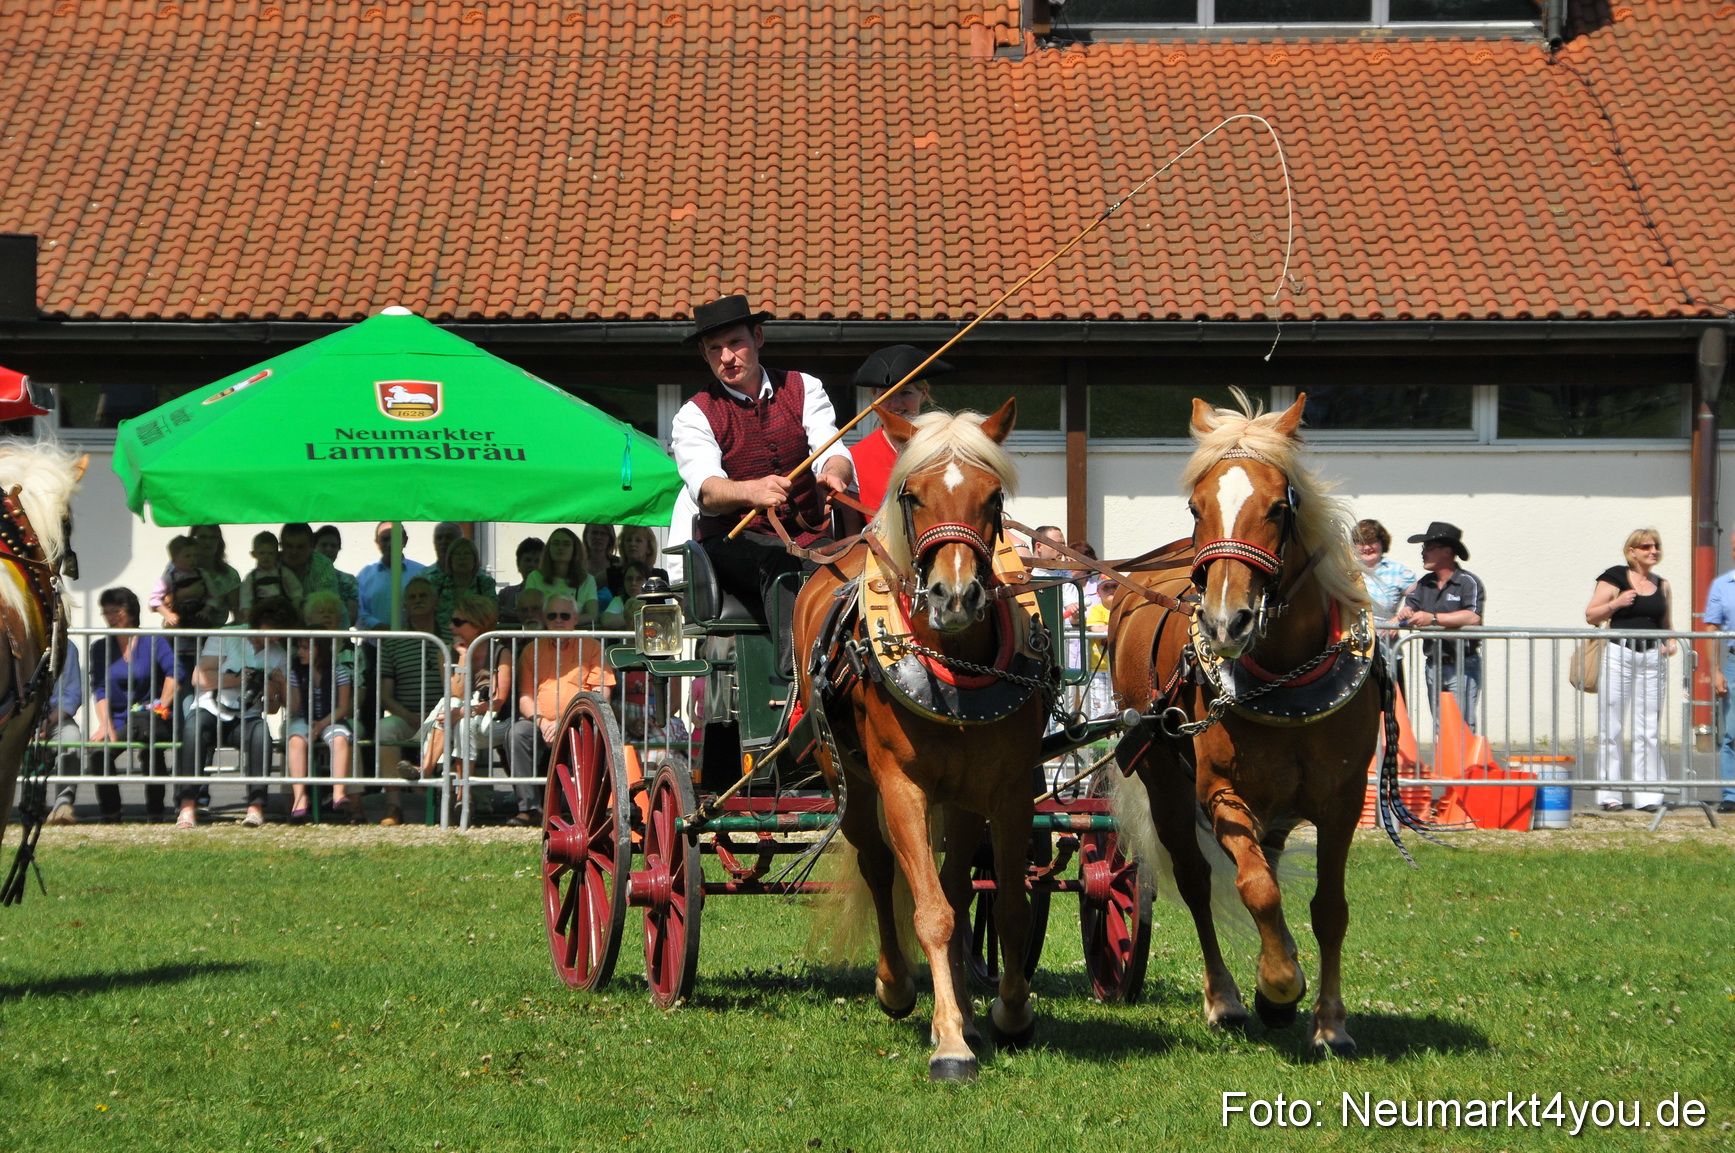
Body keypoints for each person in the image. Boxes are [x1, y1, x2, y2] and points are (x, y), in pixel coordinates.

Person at [668, 294, 853, 627]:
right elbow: (706, 490)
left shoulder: (804, 387)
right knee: (780, 564)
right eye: (714, 348)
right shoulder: (694, 414)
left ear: (758, 337)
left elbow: (832, 450)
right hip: (732, 544)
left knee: (856, 566)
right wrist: (751, 491)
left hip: (807, 538)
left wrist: (832, 474)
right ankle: (793, 678)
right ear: (704, 354)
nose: (726, 357)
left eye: (735, 342)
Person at [180, 598, 295, 828]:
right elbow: (198, 678)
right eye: (267, 631)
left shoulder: (279, 654)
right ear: (256, 623)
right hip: (209, 708)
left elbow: (272, 709)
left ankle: (255, 808)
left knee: (261, 733)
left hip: (247, 716)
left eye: (277, 634)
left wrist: (273, 687)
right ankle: (186, 807)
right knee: (193, 728)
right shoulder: (228, 635)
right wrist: (238, 678)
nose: (270, 639)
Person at [1585, 529, 1674, 813]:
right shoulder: (1614, 577)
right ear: (1632, 551)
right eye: (1646, 546)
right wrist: (1616, 603)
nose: (1653, 551)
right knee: (1611, 725)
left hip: (1651, 656)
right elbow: (1591, 614)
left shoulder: (1662, 584)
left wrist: (1670, 644)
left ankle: (1648, 795)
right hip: (1620, 652)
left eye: (1656, 546)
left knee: (1648, 728)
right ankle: (1609, 795)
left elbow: (1666, 625)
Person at [507, 593, 615, 826]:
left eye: (564, 615)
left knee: (598, 734)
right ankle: (529, 808)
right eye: (552, 615)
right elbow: (525, 697)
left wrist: (566, 720)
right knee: (517, 733)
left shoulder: (592, 647)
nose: (558, 620)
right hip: (540, 723)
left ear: (575, 619)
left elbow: (601, 694)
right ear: (545, 619)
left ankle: (591, 809)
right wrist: (542, 722)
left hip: (581, 719)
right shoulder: (531, 650)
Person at [401, 594, 513, 819]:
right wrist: (463, 658)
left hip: (495, 722)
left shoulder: (501, 652)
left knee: (459, 716)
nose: (451, 626)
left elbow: (498, 702)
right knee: (456, 713)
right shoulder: (447, 652)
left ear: (479, 624)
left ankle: (427, 771)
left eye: (458, 622)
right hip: (461, 721)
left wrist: (464, 711)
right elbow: (454, 693)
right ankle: (462, 795)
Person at [87, 587, 177, 822]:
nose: (110, 617)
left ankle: (156, 813)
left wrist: (161, 707)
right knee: (98, 754)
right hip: (117, 716)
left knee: (151, 749)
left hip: (148, 714)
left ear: (131, 612)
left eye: (116, 611)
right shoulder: (99, 648)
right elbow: (99, 688)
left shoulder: (154, 641)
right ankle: (111, 812)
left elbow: (174, 673)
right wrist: (105, 724)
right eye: (106, 612)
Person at [1397, 521, 1485, 733]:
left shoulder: (1467, 582)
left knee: (1462, 726)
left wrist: (1433, 619)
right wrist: (1404, 614)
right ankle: (1446, 766)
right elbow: (1410, 609)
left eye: (1428, 547)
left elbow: (1473, 617)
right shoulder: (1425, 582)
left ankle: (1463, 767)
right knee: (1441, 726)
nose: (1423, 553)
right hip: (1433, 664)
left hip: (1462, 665)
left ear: (1447, 551)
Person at [373, 576, 446, 820]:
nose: (417, 601)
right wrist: (408, 716)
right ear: (405, 604)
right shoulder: (394, 643)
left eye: (423, 596)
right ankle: (393, 804)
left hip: (444, 719)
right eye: (412, 597)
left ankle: (455, 800)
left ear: (435, 602)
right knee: (384, 729)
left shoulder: (449, 637)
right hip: (407, 718)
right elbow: (385, 696)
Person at [847, 345, 954, 511]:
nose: (895, 404)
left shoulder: (946, 449)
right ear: (873, 398)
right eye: (886, 395)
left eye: (906, 393)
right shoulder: (852, 459)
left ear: (924, 393)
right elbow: (851, 533)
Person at [285, 592, 359, 823]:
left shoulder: (338, 671)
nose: (301, 652)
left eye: (306, 648)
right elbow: (295, 706)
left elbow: (343, 707)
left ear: (321, 648)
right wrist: (282, 684)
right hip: (304, 718)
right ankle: (300, 797)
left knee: (339, 740)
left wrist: (322, 724)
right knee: (296, 740)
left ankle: (338, 792)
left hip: (330, 718)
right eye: (300, 647)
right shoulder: (295, 671)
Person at [1352, 518, 1417, 682]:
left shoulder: (1398, 571)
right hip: (1353, 654)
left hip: (1387, 652)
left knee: (1392, 704)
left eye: (1372, 542)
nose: (1367, 548)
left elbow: (1420, 598)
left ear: (1382, 543)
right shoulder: (1345, 570)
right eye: (1361, 542)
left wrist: (1398, 620)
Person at [1700, 529, 1735, 814]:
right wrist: (1716, 671)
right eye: (1734, 546)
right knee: (1732, 733)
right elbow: (1710, 629)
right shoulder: (1723, 585)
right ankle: (1731, 795)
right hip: (1734, 664)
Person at [42, 643, 86, 825]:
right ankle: (32, 803)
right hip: (16, 719)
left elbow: (72, 695)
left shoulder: (67, 647)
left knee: (72, 738)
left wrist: (46, 722)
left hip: (53, 718)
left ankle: (63, 804)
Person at [356, 521, 429, 630]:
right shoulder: (365, 575)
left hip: (413, 643)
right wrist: (376, 626)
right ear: (377, 542)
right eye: (385, 539)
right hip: (374, 645)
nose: (390, 544)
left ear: (405, 540)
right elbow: (358, 611)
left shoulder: (421, 573)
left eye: (395, 538)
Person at [428, 536, 497, 644]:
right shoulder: (437, 582)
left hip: (476, 641)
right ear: (450, 559)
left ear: (475, 559)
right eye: (457, 554)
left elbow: (493, 612)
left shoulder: (485, 583)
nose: (462, 558)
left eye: (467, 554)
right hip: (441, 641)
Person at [523, 527, 598, 626]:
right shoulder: (534, 577)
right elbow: (530, 613)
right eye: (556, 543)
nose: (561, 548)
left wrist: (562, 624)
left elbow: (592, 615)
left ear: (575, 549)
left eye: (566, 544)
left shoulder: (588, 580)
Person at [277, 522, 341, 613]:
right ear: (281, 546)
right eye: (289, 546)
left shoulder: (323, 565)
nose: (294, 552)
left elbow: (327, 607)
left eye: (300, 547)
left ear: (311, 546)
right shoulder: (271, 564)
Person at [239, 531, 303, 614]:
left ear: (277, 555)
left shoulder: (284, 573)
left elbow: (296, 590)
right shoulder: (250, 578)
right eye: (262, 553)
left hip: (283, 612)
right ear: (254, 554)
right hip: (261, 614)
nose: (266, 557)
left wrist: (295, 606)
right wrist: (247, 613)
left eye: (270, 553)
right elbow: (245, 599)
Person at [314, 524, 362, 626]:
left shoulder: (349, 580)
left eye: (333, 546)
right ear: (314, 547)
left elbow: (352, 618)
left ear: (338, 549)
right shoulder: (308, 576)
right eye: (324, 545)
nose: (328, 549)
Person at [497, 535, 545, 625]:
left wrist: (511, 614)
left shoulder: (550, 593)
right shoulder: (506, 594)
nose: (532, 565)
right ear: (518, 564)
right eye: (528, 560)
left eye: (537, 561)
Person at [582, 523, 621, 610]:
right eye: (594, 533)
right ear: (586, 536)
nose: (598, 537)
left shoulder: (619, 565)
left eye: (603, 533)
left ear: (610, 538)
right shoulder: (576, 564)